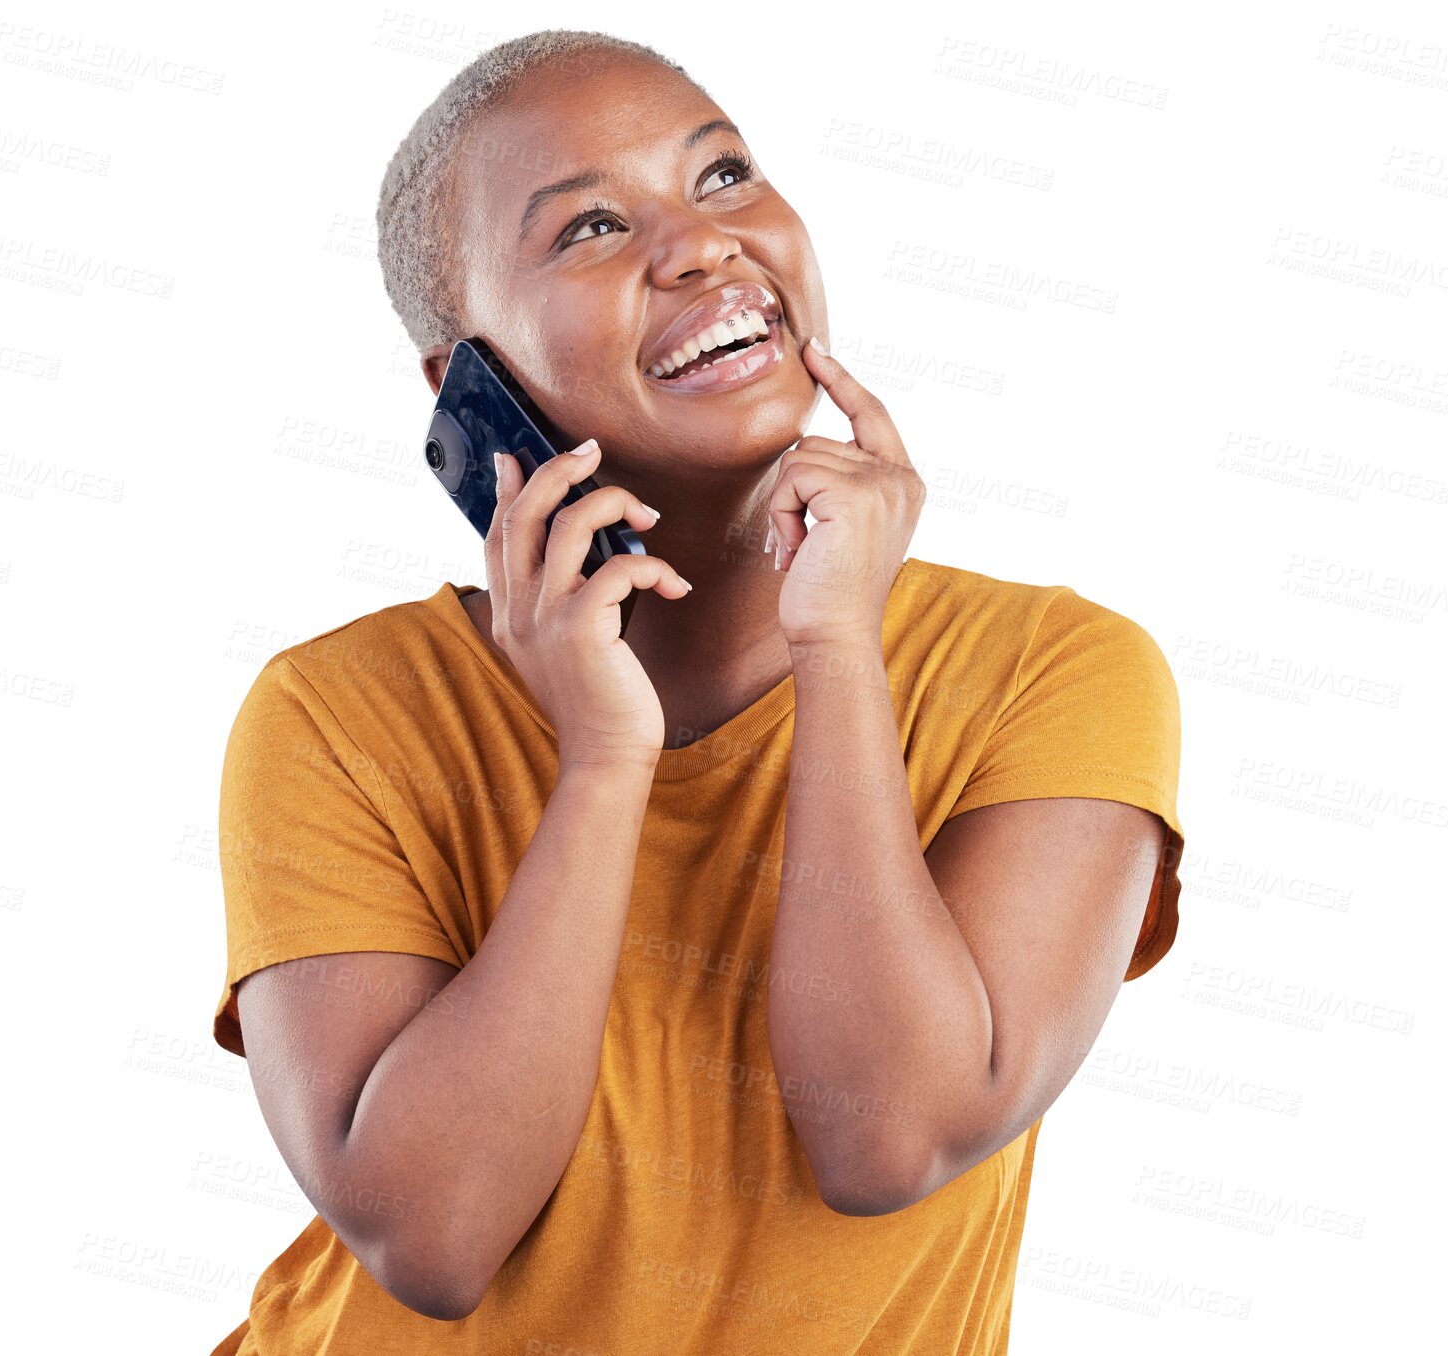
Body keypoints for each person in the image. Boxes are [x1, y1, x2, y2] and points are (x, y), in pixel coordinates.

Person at [209, 28, 1185, 1356]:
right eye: (590, 227)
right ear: (463, 384)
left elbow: (886, 1140)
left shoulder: (1053, 675)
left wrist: (839, 650)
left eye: (723, 175)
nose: (700, 244)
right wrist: (605, 759)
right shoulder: (339, 713)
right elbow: (431, 1239)